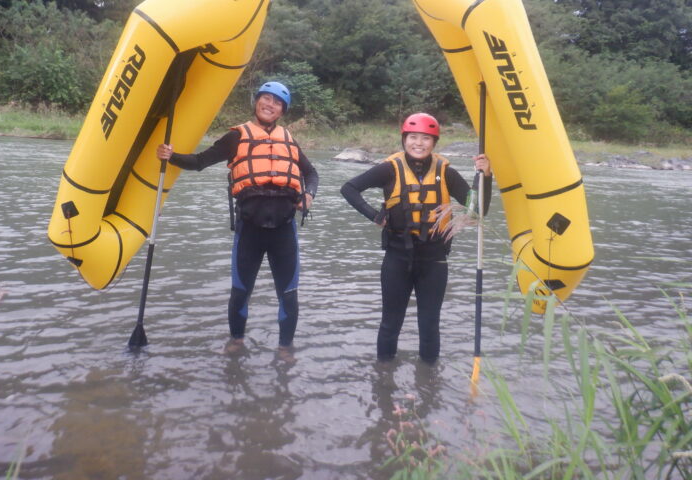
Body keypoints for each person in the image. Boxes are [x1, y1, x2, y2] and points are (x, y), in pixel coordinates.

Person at [157, 81, 318, 355]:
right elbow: (199, 162)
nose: (269, 104)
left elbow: (311, 174)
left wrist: (309, 195)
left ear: (282, 111)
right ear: (256, 102)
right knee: (240, 291)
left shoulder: (289, 140)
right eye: (265, 99)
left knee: (289, 294)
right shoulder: (236, 137)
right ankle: (236, 342)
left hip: (284, 229)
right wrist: (171, 157)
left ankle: (285, 350)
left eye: (276, 102)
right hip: (250, 229)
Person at [340, 112, 491, 363]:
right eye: (412, 137)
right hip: (397, 257)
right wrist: (375, 215)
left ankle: (428, 385)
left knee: (430, 325)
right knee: (390, 323)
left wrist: (485, 176)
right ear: (404, 139)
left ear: (434, 142)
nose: (418, 143)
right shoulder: (389, 169)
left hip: (434, 259)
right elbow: (349, 188)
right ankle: (384, 380)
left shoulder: (446, 171)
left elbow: (477, 210)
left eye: (425, 138)